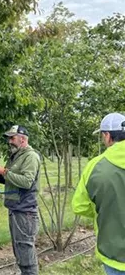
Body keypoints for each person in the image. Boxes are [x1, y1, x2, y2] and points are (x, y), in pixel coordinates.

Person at [72, 112, 125, 275]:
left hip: (114, 254)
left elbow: (79, 206)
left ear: (107, 136)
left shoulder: (95, 167)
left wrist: (104, 209)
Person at [0, 125, 41, 275]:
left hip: (25, 212)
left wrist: (3, 171)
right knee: (19, 251)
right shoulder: (16, 156)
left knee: (26, 253)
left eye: (12, 138)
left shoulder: (30, 156)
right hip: (15, 210)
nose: (9, 141)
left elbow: (26, 182)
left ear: (22, 139)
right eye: (8, 138)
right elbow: (10, 179)